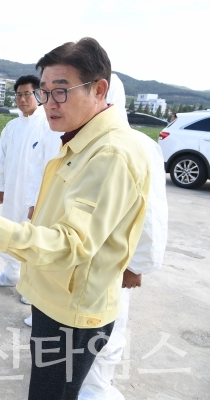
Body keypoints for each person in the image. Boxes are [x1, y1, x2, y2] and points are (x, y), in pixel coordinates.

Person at [0, 37, 151, 399]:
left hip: (72, 311)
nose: (49, 103)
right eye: (45, 92)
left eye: (61, 91)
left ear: (99, 89)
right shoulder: (81, 139)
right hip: (55, 298)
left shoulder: (110, 153)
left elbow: (72, 244)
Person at [78, 74, 168, 400]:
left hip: (113, 262)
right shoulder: (74, 141)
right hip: (73, 258)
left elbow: (150, 214)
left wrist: (137, 264)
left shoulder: (139, 146)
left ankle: (95, 388)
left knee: (107, 330)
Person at [0, 75, 61, 294]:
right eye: (18, 94)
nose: (22, 99)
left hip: (34, 194)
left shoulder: (48, 126)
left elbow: (48, 167)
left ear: (39, 94)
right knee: (9, 231)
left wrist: (37, 200)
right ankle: (10, 274)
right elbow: (1, 158)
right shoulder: (12, 126)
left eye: (27, 94)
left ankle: (30, 288)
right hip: (12, 190)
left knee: (32, 239)